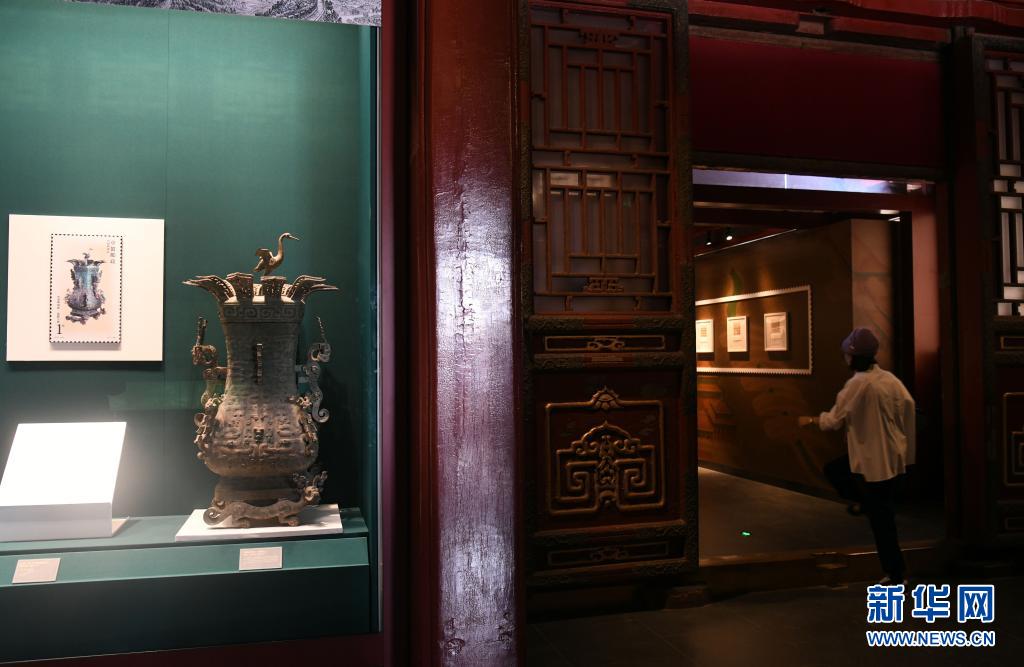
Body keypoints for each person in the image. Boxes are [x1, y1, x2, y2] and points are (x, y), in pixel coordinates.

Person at [799, 327, 915, 585]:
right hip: (893, 455)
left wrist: (811, 420)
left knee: (881, 521)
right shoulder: (890, 379)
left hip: (873, 461)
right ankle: (866, 507)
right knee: (877, 509)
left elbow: (833, 421)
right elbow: (909, 406)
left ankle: (896, 575)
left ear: (851, 357)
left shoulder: (857, 384)